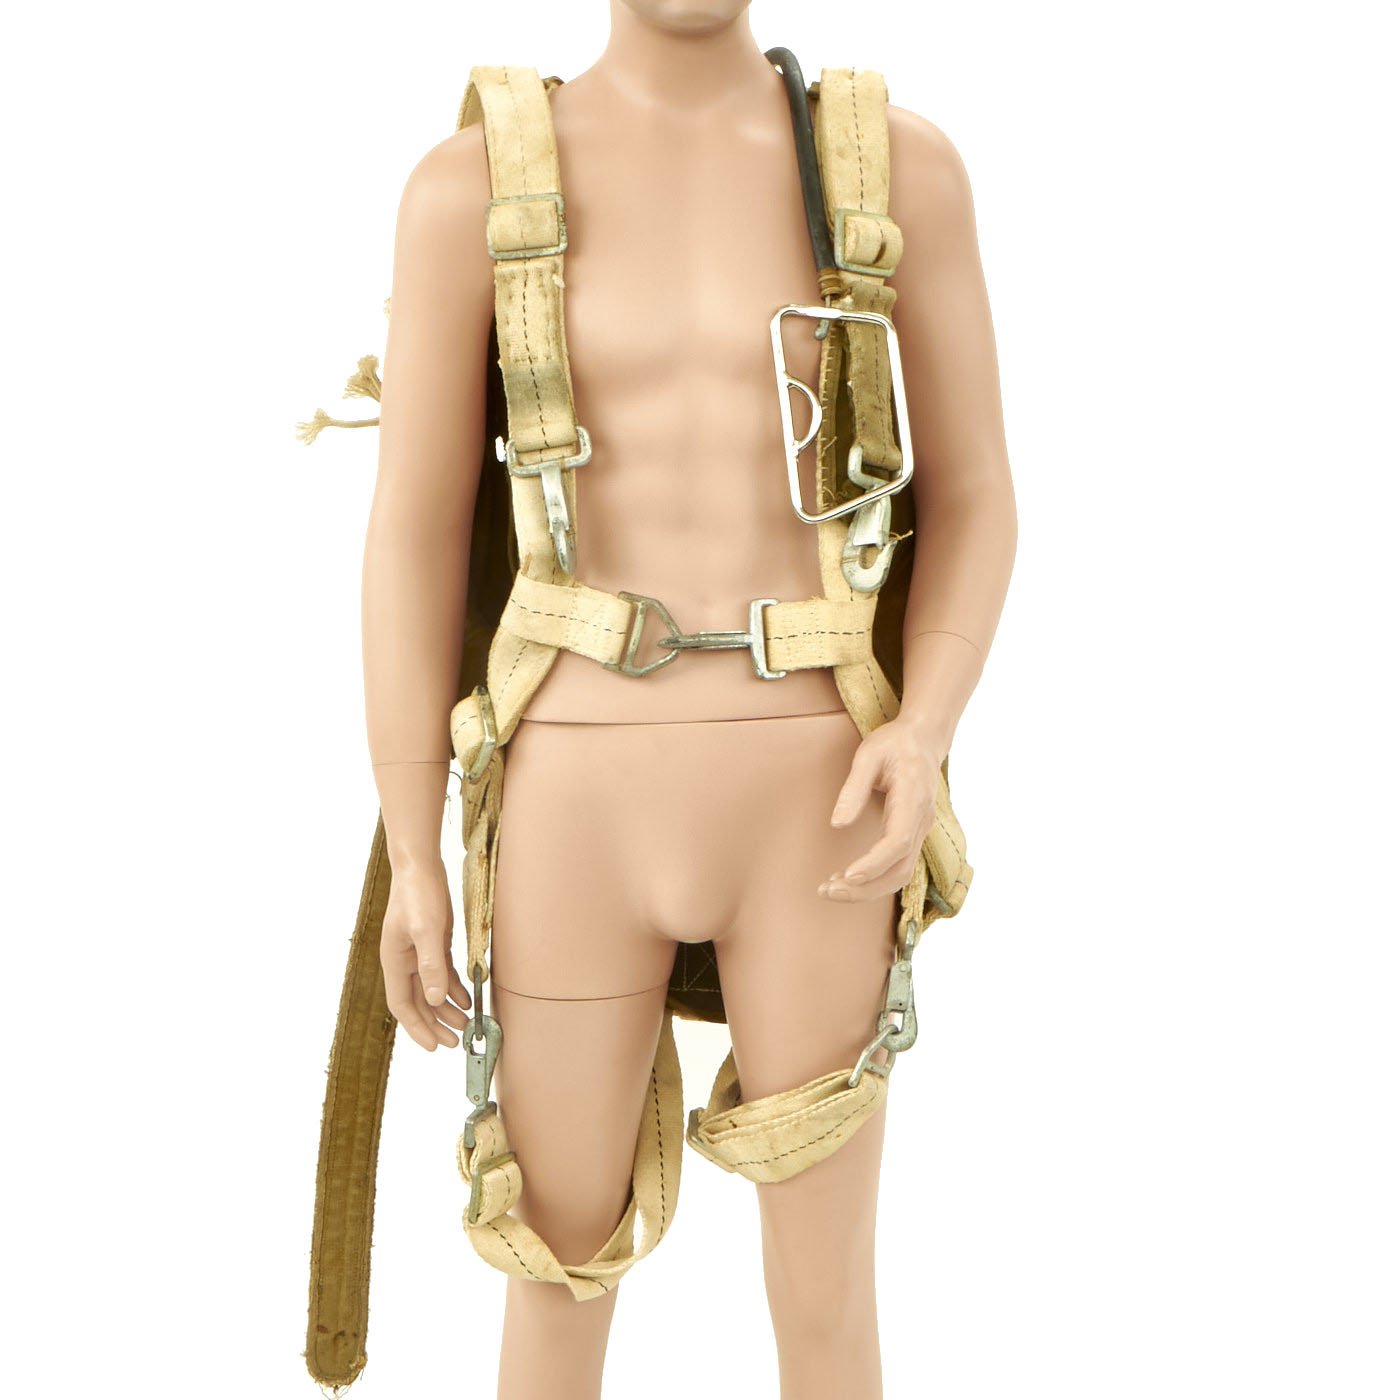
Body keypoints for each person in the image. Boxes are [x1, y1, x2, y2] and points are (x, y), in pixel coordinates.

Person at [362, 3, 1016, 1397]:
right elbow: (411, 535)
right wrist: (413, 853)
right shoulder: (468, 194)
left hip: (819, 799)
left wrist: (923, 730)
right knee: (554, 1275)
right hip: (575, 798)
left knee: (826, 1301)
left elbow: (978, 496)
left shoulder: (893, 171)